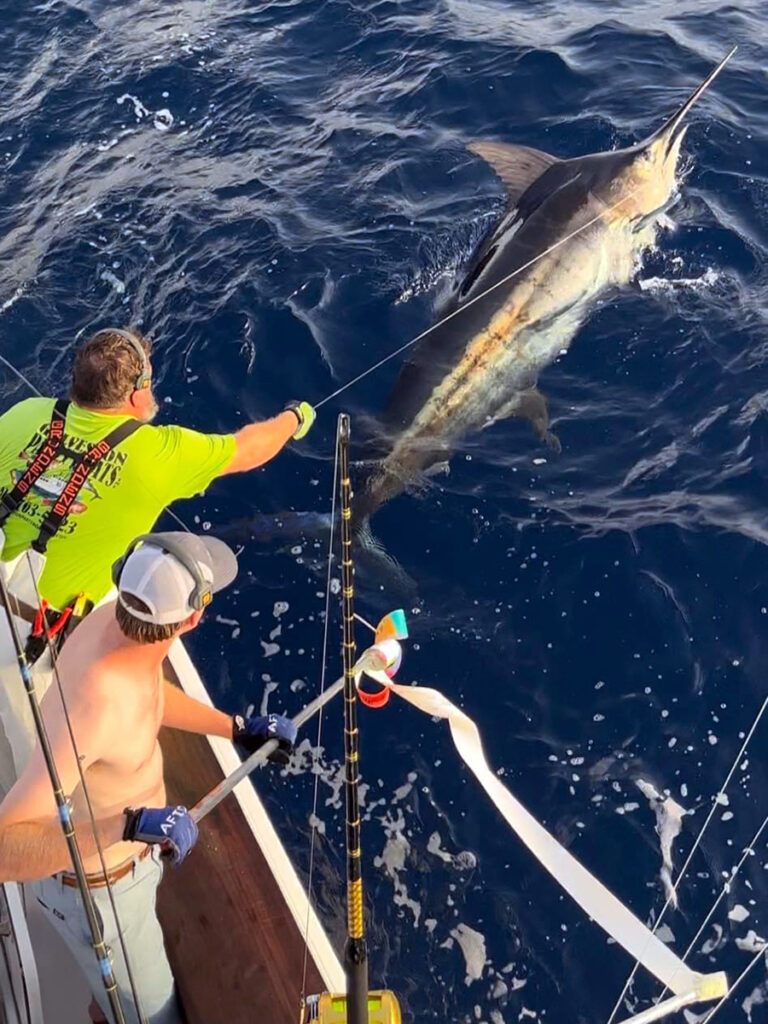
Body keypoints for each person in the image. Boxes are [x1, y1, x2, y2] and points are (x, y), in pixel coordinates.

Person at [0, 532, 298, 1024]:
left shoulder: (116, 625)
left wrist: (235, 727)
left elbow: (150, 696)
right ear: (192, 618)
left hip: (136, 859)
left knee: (116, 1002)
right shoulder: (96, 706)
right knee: (155, 1017)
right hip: (99, 896)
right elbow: (6, 850)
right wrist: (129, 825)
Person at [0, 326, 315, 782]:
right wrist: (294, 417)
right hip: (38, 650)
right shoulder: (158, 452)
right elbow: (250, 449)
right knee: (37, 796)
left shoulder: (25, 414)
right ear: (136, 394)